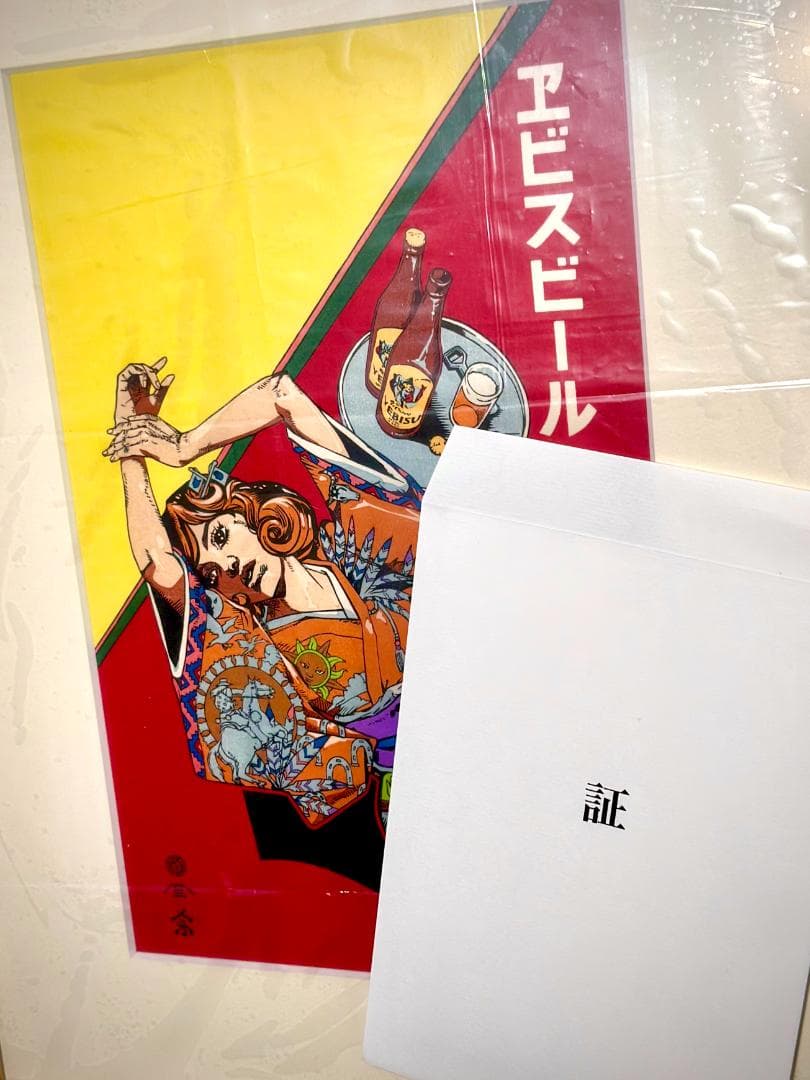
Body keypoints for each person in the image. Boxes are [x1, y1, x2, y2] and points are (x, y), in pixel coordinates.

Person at [103, 358, 421, 831]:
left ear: (251, 514)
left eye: (222, 537)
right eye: (211, 572)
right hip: (411, 784)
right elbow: (157, 560)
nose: (227, 566)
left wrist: (184, 446)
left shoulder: (351, 546)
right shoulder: (261, 645)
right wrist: (130, 450)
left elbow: (281, 394)